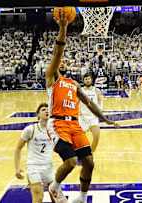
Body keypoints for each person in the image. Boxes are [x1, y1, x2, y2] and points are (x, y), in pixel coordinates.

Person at [45, 10, 120, 203]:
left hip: (75, 125)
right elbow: (58, 51)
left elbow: (89, 102)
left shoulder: (73, 84)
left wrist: (105, 119)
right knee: (70, 162)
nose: (61, 63)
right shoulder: (52, 78)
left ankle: (82, 198)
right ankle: (54, 187)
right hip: (58, 124)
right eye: (58, 61)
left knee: (89, 162)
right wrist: (63, 28)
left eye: (64, 62)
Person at [14, 103, 55, 203]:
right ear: (38, 115)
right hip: (34, 167)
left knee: (56, 196)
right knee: (38, 197)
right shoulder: (30, 129)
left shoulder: (54, 129)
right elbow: (18, 148)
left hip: (49, 167)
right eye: (43, 110)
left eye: (48, 109)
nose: (46, 111)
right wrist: (17, 168)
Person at [79, 73, 102, 152]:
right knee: (80, 139)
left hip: (93, 117)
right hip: (83, 117)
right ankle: (82, 155)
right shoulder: (80, 90)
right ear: (83, 81)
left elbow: (100, 101)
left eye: (89, 79)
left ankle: (90, 154)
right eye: (86, 79)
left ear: (91, 80)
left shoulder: (96, 90)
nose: (87, 81)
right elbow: (76, 102)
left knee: (96, 137)